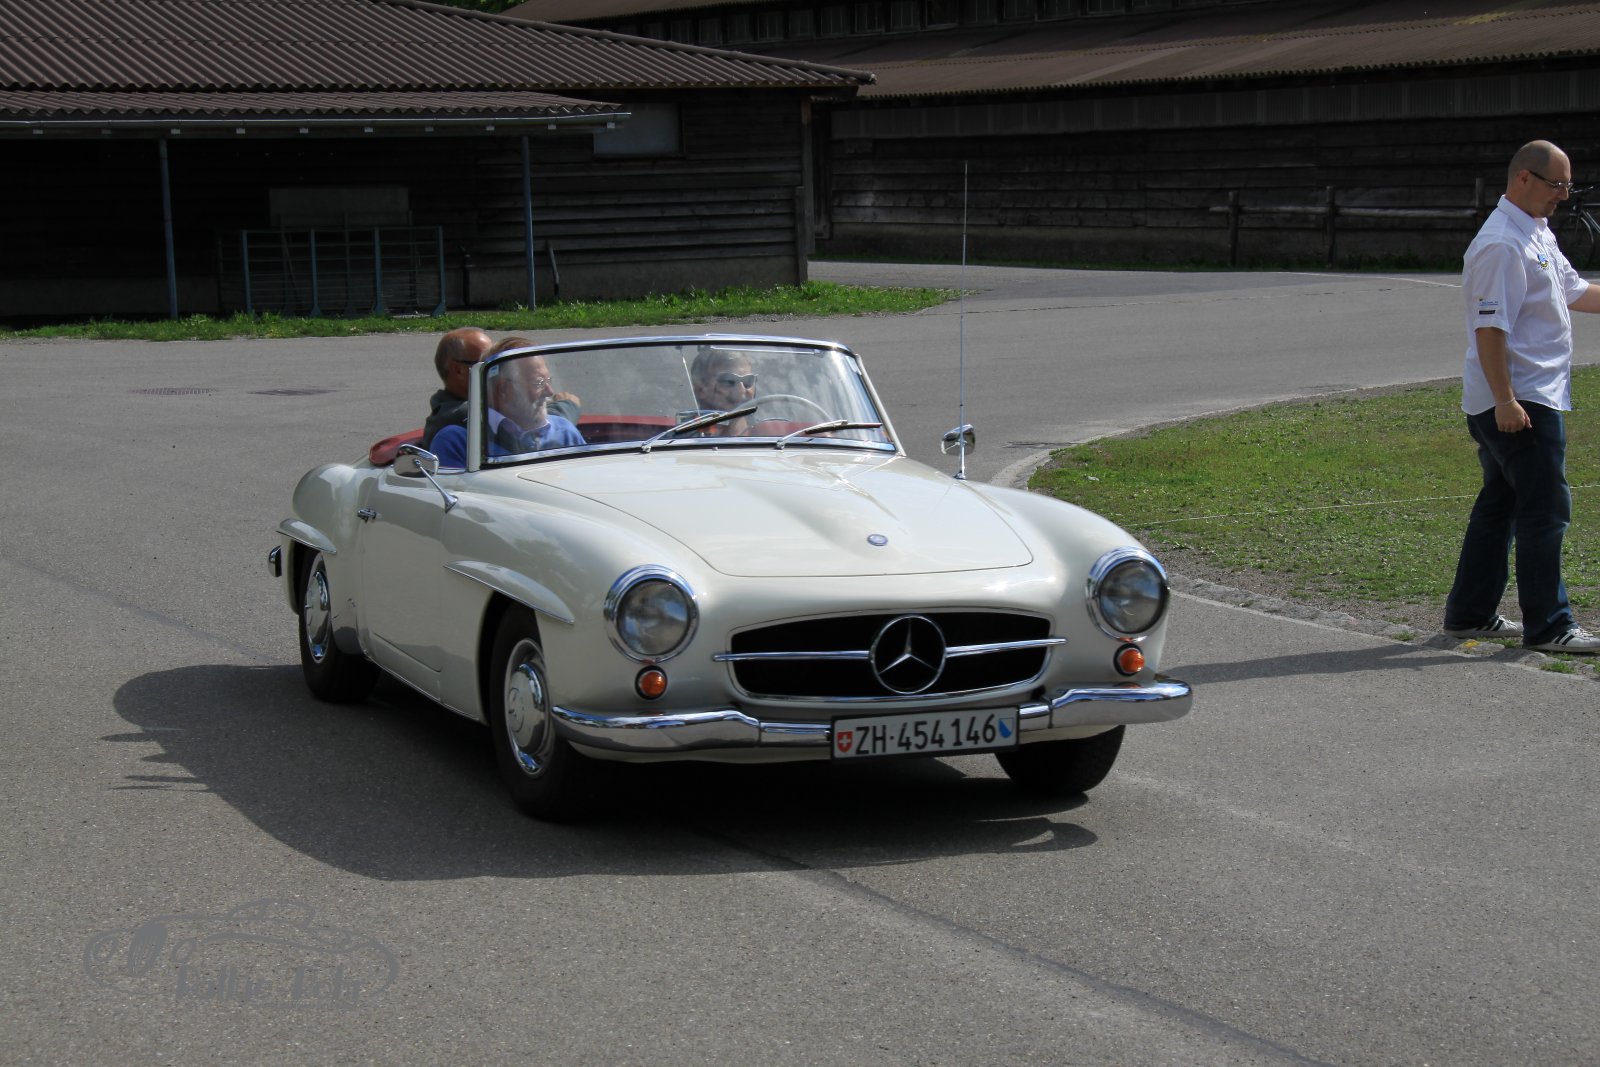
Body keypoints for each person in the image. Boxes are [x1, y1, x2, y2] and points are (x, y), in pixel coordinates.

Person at [1442, 139, 1600, 652]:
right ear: (1523, 178)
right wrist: (1506, 400)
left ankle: (1469, 614)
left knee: (1501, 505)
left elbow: (1575, 291)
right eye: (1557, 185)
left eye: (1568, 186)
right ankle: (1551, 625)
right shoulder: (1501, 244)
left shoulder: (1535, 230)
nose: (1564, 196)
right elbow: (1490, 329)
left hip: (1526, 395)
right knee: (1545, 509)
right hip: (1520, 400)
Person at [430, 348, 584, 467]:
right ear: (504, 390)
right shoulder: (457, 442)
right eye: (538, 383)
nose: (550, 392)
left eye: (548, 381)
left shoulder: (565, 432)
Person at [420, 327, 492, 450]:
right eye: (486, 363)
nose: (498, 370)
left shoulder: (448, 405)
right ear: (458, 370)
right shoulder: (467, 416)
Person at [689, 349, 758, 435]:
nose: (741, 390)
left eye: (748, 380)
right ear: (700, 389)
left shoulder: (767, 433)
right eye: (728, 381)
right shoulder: (679, 436)